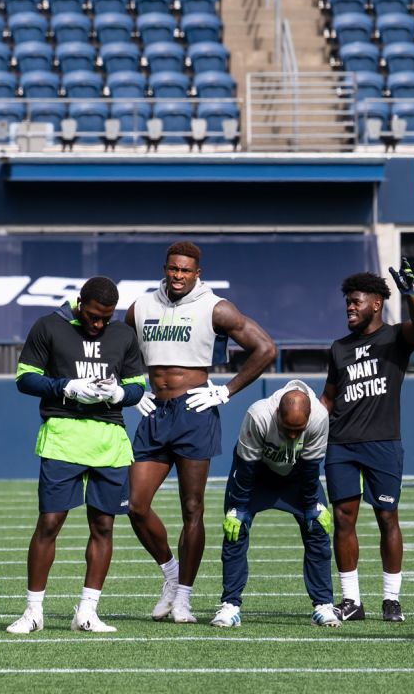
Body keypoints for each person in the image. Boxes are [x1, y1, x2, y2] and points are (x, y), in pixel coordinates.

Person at [125, 241, 276, 624]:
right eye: (172, 269)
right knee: (135, 504)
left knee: (192, 508)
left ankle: (184, 598)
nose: (178, 276)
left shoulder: (215, 306)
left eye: (185, 270)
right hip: (154, 411)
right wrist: (131, 390)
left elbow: (265, 349)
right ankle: (170, 575)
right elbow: (114, 349)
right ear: (165, 268)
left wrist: (225, 391)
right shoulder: (141, 306)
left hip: (195, 410)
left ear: (197, 273)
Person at [8, 276, 147, 634]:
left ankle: (86, 612)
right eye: (93, 316)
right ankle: (33, 612)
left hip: (109, 439)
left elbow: (137, 386)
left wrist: (117, 394)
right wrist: (67, 387)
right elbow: (25, 378)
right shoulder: (49, 326)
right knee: (50, 523)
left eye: (106, 317)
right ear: (80, 302)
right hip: (63, 435)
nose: (99, 324)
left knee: (103, 526)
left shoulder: (123, 335)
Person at [320, 258, 414, 623]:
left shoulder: (396, 337)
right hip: (341, 443)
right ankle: (351, 601)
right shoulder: (339, 347)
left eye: (357, 301)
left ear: (377, 303)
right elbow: (329, 398)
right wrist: (307, 429)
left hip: (382, 441)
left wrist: (411, 293)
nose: (350, 307)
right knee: (343, 518)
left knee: (386, 516)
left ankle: (391, 599)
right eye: (347, 302)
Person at [210, 380, 341, 629]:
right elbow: (246, 467)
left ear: (309, 417)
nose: (292, 435)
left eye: (298, 430)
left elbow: (312, 467)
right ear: (277, 414)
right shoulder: (258, 415)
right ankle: (230, 605)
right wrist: (238, 507)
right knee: (235, 528)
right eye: (287, 428)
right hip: (257, 474)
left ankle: (323, 604)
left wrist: (313, 504)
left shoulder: (319, 417)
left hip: (297, 474)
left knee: (317, 526)